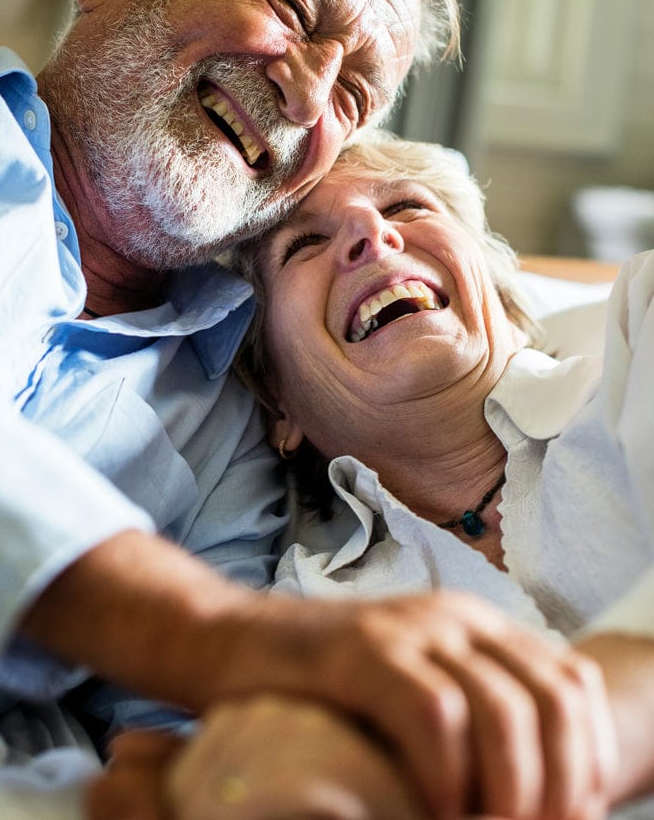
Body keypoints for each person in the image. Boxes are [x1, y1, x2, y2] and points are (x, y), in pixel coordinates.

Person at [0, 0, 613, 817]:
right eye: (289, 9)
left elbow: (184, 741)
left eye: (355, 95)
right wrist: (207, 634)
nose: (307, 92)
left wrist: (212, 776)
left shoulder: (230, 424)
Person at [232, 130, 654, 815]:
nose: (371, 233)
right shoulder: (308, 622)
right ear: (279, 402)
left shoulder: (643, 329)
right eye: (302, 244)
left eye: (404, 206)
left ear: (503, 297)